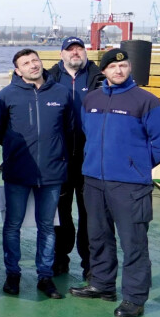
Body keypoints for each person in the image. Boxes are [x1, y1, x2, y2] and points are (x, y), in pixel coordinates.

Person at [69, 48, 160, 317]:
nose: (118, 71)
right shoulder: (92, 99)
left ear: (129, 68)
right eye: (112, 67)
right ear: (104, 71)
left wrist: (137, 164)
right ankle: (102, 283)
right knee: (98, 236)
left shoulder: (146, 101)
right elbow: (88, 131)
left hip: (130, 184)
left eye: (123, 66)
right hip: (95, 180)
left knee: (133, 242)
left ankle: (134, 297)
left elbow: (158, 141)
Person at [0, 49, 73, 300]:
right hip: (18, 171)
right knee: (12, 225)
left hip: (51, 173)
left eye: (35, 60)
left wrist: (62, 159)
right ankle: (13, 274)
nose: (32, 65)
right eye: (25, 63)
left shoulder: (61, 93)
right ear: (18, 70)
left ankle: (45, 276)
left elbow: (70, 130)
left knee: (47, 227)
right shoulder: (6, 96)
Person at [46, 36, 104, 278]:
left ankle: (90, 264)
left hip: (90, 155)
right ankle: (60, 257)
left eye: (79, 48)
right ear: (62, 54)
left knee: (90, 212)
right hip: (59, 157)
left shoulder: (99, 77)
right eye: (70, 49)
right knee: (61, 211)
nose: (75, 53)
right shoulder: (49, 78)